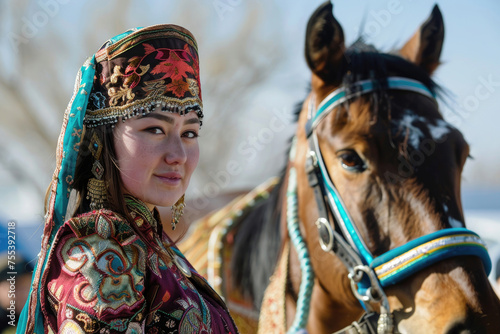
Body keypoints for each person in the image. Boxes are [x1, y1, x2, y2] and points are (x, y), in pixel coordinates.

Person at [17, 24, 239, 333]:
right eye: (155, 130)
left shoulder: (157, 245)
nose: (178, 155)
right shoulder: (98, 246)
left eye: (189, 133)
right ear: (101, 140)